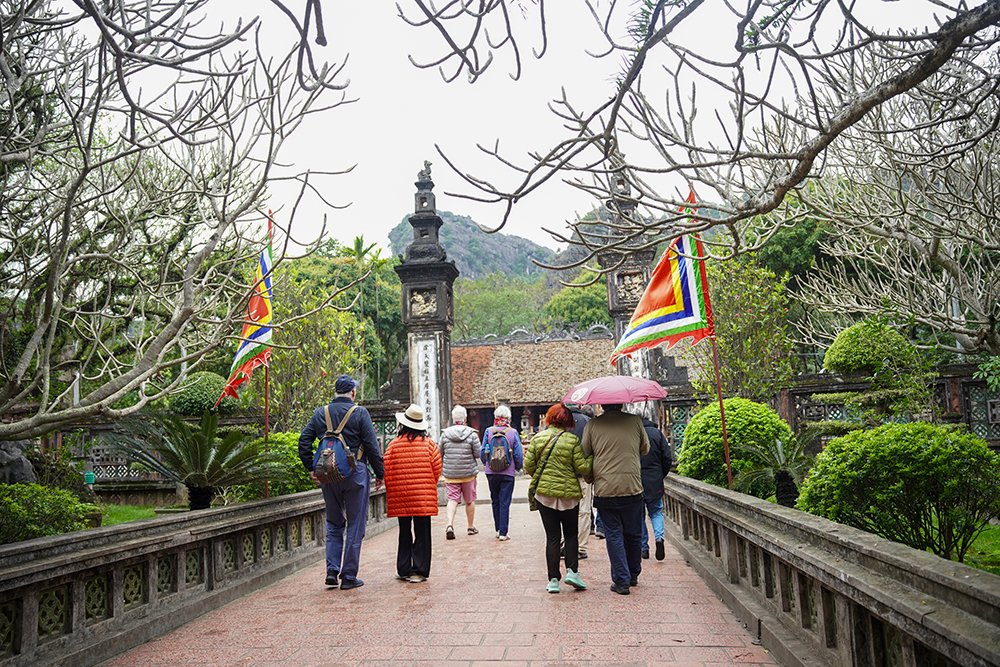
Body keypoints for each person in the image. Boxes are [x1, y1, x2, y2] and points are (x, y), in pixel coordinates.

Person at [298, 374, 384, 590]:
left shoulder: (321, 413)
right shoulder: (360, 413)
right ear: (353, 392)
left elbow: (304, 441)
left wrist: (311, 467)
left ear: (335, 392)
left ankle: (331, 570)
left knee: (333, 522)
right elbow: (372, 447)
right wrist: (380, 473)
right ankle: (348, 576)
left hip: (328, 473)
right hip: (356, 473)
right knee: (355, 524)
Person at [581, 403, 649, 595]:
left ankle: (621, 580)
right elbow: (645, 448)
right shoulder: (635, 421)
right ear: (622, 404)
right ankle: (633, 574)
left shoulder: (593, 425)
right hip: (632, 485)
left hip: (605, 487)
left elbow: (584, 451)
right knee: (634, 533)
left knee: (613, 534)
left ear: (602, 405)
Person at [525, 403, 593, 593]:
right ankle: (572, 572)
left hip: (544, 495)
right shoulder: (572, 440)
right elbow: (583, 468)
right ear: (568, 421)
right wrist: (591, 458)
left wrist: (543, 477)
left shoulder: (538, 439)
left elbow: (528, 465)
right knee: (571, 534)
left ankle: (553, 580)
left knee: (552, 537)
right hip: (569, 495)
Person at [383, 404, 443, 583]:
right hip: (422, 496)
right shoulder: (429, 445)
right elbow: (437, 469)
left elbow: (387, 469)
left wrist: (395, 489)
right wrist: (427, 485)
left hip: (401, 495)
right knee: (422, 533)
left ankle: (403, 568)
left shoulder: (393, 445)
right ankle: (419, 571)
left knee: (404, 531)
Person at [481, 404, 523, 541]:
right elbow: (518, 453)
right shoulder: (513, 432)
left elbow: (483, 451)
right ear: (508, 418)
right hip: (508, 472)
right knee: (505, 502)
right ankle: (503, 533)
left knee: (495, 500)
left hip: (491, 472)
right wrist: (518, 467)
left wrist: (486, 463)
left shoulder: (488, 431)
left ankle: (498, 529)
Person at [439, 405, 481, 539]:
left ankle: (449, 525)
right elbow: (478, 453)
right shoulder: (472, 434)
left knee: (452, 499)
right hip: (468, 474)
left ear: (453, 418)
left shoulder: (445, 434)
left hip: (451, 473)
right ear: (465, 418)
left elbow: (440, 452)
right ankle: (470, 526)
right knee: (469, 500)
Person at [640, 414, 672, 561]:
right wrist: (660, 474)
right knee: (656, 511)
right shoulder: (657, 434)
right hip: (654, 479)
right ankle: (659, 538)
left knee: (639, 515)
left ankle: (643, 547)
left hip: (637, 479)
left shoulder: (635, 434)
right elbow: (667, 457)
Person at [568, 404, 594, 560]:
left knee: (565, 509)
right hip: (584, 473)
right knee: (584, 511)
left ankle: (565, 543)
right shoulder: (588, 422)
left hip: (565, 474)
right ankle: (581, 547)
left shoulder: (560, 421)